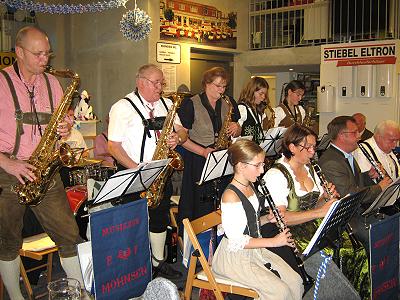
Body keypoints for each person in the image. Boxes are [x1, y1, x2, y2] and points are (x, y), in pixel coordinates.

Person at [0, 26, 86, 299]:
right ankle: (15, 296)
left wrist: (65, 127)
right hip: (9, 171)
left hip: (46, 171)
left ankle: (80, 292)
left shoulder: (53, 83)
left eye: (47, 53)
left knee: (69, 235)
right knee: (8, 241)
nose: (44, 60)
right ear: (19, 52)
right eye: (38, 54)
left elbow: (61, 123)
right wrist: (8, 164)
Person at [262, 124, 363, 299]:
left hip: (314, 227)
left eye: (314, 147)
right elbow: (280, 218)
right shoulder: (276, 175)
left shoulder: (311, 168)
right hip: (291, 235)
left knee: (355, 250)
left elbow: (314, 206)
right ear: (292, 148)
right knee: (330, 259)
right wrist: (319, 212)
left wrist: (325, 198)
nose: (312, 152)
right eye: (307, 147)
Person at [108, 64, 187, 279]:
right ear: (140, 81)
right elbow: (113, 146)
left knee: (160, 217)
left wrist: (177, 138)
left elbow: (182, 131)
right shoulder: (122, 107)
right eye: (156, 83)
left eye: (162, 83)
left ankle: (157, 262)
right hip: (134, 173)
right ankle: (134, 268)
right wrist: (139, 171)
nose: (160, 88)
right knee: (135, 221)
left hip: (161, 172)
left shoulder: (167, 103)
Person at [212, 139, 303, 300]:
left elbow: (248, 224)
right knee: (279, 292)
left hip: (254, 250)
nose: (262, 170)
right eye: (258, 165)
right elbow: (237, 240)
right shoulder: (230, 196)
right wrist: (274, 242)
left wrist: (267, 219)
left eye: (263, 164)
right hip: (235, 258)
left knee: (296, 281)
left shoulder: (249, 185)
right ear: (241, 166)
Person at [318, 116, 392, 298]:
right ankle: (369, 287)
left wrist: (368, 176)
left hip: (358, 212)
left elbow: (355, 183)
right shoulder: (331, 161)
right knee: (378, 235)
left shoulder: (346, 156)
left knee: (390, 224)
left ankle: (384, 281)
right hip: (346, 220)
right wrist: (379, 187)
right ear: (342, 136)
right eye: (354, 133)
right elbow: (351, 196)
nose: (359, 136)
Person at [177, 67, 241, 229]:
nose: (222, 90)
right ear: (206, 83)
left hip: (222, 158)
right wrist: (203, 151)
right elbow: (182, 139)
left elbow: (238, 128)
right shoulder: (190, 104)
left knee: (224, 200)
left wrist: (236, 127)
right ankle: (200, 238)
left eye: (224, 86)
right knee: (200, 206)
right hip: (199, 159)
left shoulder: (228, 102)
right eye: (218, 86)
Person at [237, 76, 269, 143]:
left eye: (265, 94)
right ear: (251, 92)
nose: (263, 97)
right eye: (261, 94)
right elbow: (235, 134)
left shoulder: (258, 110)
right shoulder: (242, 108)